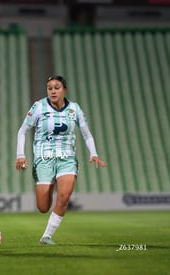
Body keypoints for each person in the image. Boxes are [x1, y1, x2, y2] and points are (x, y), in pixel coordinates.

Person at [15, 75, 107, 244]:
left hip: (67, 158)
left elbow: (87, 134)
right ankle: (47, 193)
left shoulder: (74, 109)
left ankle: (46, 236)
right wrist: (20, 155)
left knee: (64, 197)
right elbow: (22, 131)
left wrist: (93, 153)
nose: (53, 91)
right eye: (49, 88)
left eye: (57, 87)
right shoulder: (39, 106)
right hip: (44, 159)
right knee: (43, 207)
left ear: (65, 90)